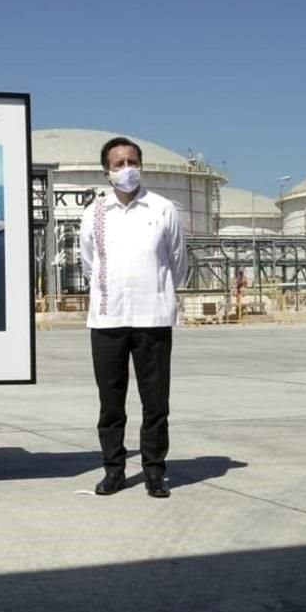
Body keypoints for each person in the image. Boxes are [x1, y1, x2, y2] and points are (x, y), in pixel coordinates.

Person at [79, 137, 187, 498]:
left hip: (152, 318)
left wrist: (159, 292)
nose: (127, 169)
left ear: (141, 165)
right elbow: (89, 263)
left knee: (155, 402)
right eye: (119, 163)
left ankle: (155, 471)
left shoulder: (162, 209)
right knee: (111, 403)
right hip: (107, 320)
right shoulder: (94, 213)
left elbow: (178, 260)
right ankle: (114, 470)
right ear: (106, 172)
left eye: (132, 161)